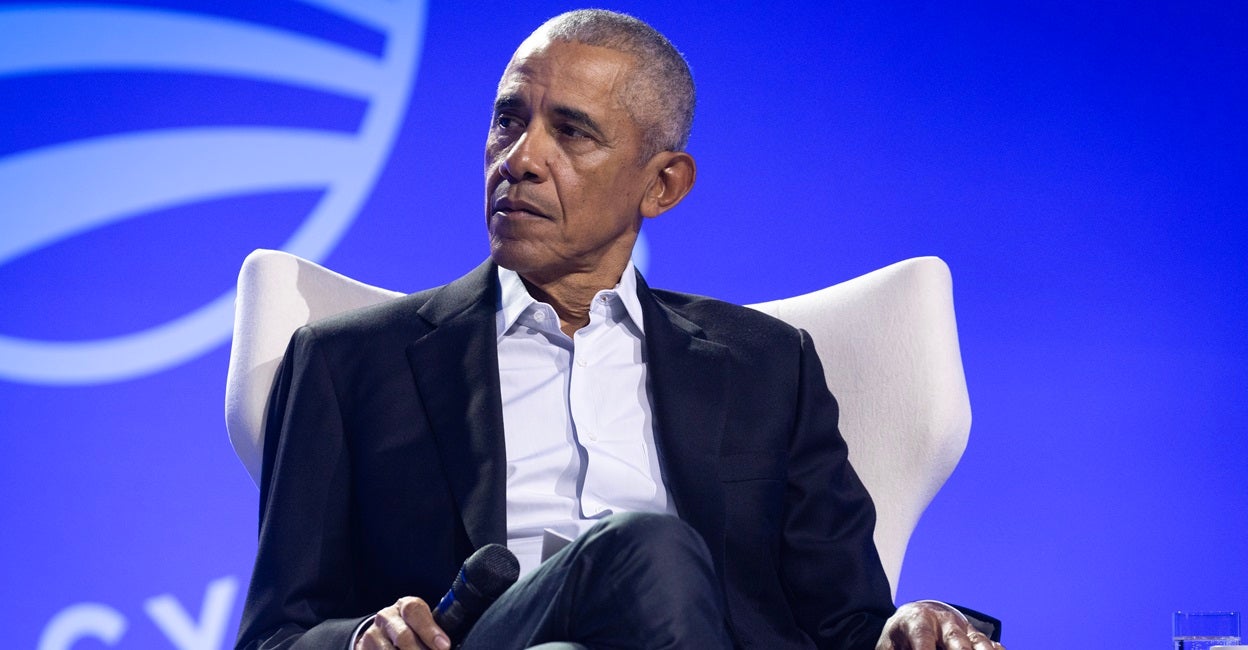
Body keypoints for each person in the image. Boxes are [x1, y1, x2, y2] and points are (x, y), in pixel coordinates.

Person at [236, 9, 1005, 650]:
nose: (521, 159)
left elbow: (846, 622)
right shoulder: (352, 362)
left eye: (571, 133)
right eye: (508, 120)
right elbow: (275, 634)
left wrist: (914, 627)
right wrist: (363, 632)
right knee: (649, 546)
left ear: (662, 184)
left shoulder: (767, 365)